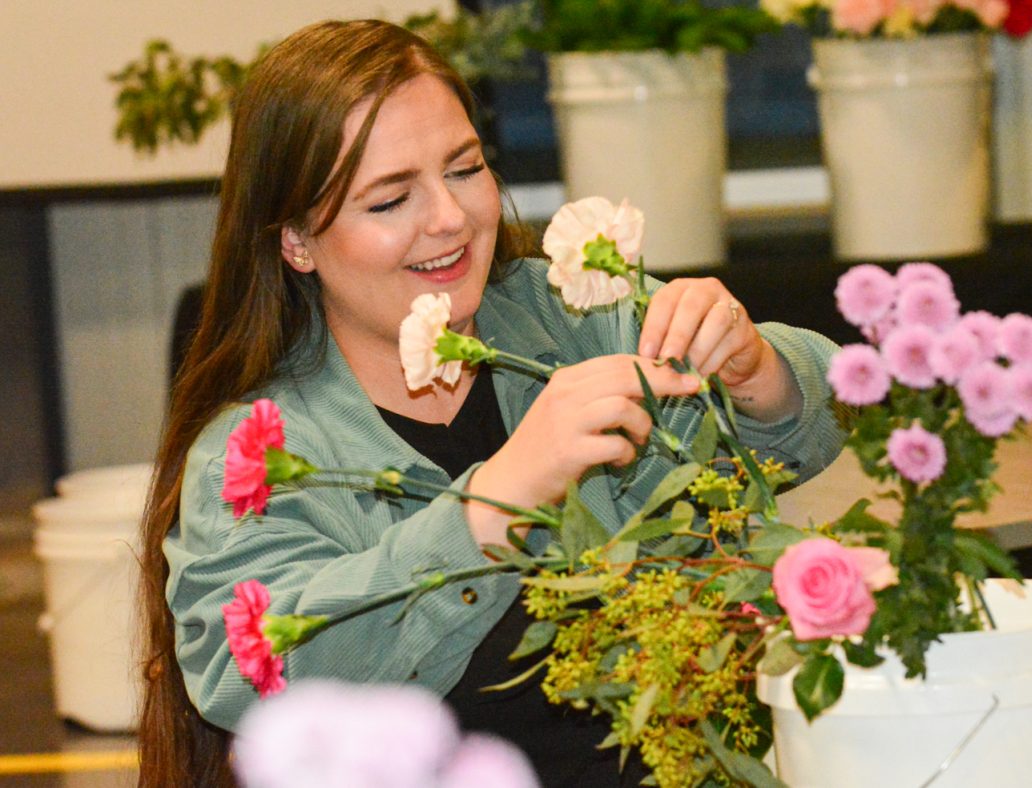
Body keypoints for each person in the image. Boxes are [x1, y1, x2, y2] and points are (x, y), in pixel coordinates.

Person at [137, 18, 844, 787]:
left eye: (465, 168)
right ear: (297, 240)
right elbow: (249, 674)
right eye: (390, 199)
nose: (450, 217)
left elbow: (831, 410)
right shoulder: (260, 452)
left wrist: (756, 368)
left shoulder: (574, 309)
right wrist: (490, 506)